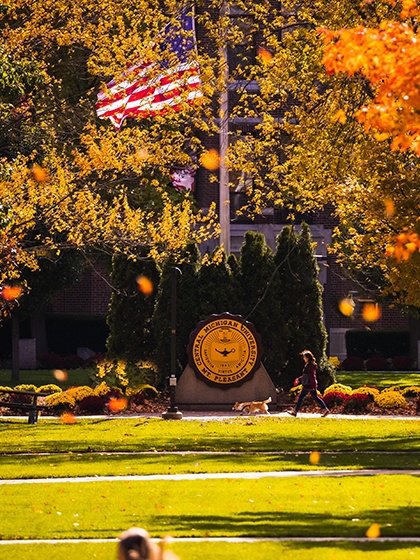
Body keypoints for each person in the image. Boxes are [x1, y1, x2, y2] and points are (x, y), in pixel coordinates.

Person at [288, 350, 330, 417]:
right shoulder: (312, 365)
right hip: (312, 383)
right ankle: (326, 409)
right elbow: (309, 375)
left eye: (304, 357)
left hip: (308, 384)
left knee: (301, 398)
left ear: (307, 357)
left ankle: (295, 412)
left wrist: (299, 379)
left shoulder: (308, 365)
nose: (303, 359)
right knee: (315, 397)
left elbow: (307, 375)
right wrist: (299, 379)